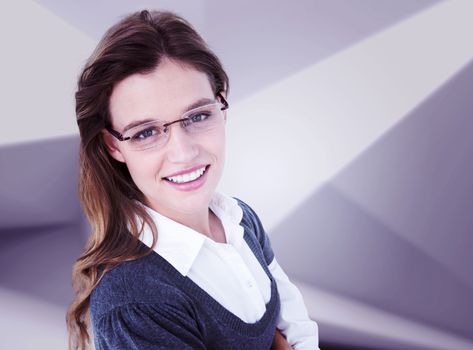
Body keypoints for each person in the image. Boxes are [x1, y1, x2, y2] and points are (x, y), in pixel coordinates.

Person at [66, 9, 319, 350]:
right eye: (146, 132)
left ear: (222, 105)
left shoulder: (239, 219)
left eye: (198, 115)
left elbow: (295, 325)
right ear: (113, 144)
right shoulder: (134, 302)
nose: (183, 153)